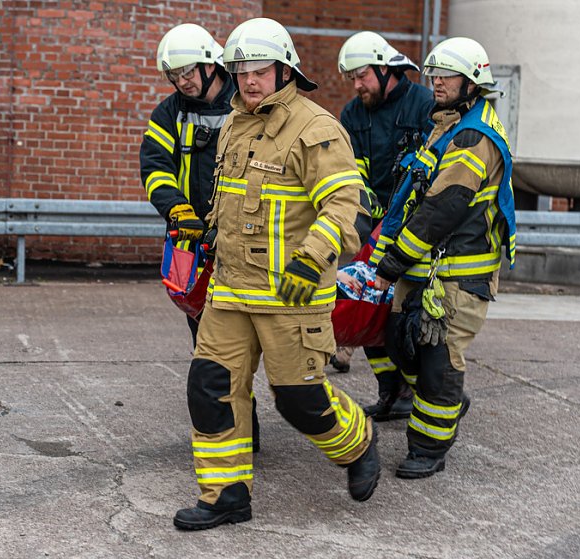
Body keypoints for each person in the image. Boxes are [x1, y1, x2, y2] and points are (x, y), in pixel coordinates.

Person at [172, 17, 380, 531]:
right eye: (240, 71)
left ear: (285, 69)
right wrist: (208, 235)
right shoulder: (234, 124)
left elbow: (343, 206)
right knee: (211, 387)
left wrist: (312, 258)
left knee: (299, 399)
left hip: (292, 295)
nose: (248, 81)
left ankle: (358, 444)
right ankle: (226, 496)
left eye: (259, 71)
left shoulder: (316, 128)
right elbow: (231, 202)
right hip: (231, 292)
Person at [372, 37, 517, 479]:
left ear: (471, 81)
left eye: (447, 75)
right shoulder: (450, 123)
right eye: (433, 73)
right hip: (430, 270)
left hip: (457, 278)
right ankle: (449, 403)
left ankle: (428, 448)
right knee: (401, 342)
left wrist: (391, 264)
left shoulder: (473, 136)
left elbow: (442, 209)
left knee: (437, 360)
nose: (436, 81)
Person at [140, 23, 260, 451]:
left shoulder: (246, 103)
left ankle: (243, 418)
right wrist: (177, 210)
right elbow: (155, 168)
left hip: (245, 240)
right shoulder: (169, 112)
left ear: (211, 63)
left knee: (252, 336)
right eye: (174, 75)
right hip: (193, 243)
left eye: (188, 70)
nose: (182, 81)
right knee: (206, 338)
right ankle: (239, 426)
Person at [334, 31, 435, 422]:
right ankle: (390, 392)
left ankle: (423, 392)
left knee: (405, 319)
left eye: (362, 76)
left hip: (414, 232)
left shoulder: (424, 105)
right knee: (367, 311)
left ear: (385, 68)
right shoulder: (352, 115)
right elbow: (352, 176)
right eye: (352, 79)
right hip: (372, 230)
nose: (357, 85)